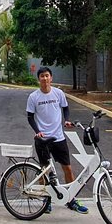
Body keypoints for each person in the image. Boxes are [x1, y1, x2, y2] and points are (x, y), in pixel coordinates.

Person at [26, 67, 88, 214]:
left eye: (47, 76)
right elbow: (30, 117)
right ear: (39, 79)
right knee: (43, 171)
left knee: (67, 168)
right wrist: (37, 132)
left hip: (59, 138)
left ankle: (71, 199)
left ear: (51, 78)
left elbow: (65, 108)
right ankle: (45, 201)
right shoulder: (34, 97)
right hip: (43, 140)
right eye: (42, 76)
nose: (45, 79)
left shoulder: (58, 93)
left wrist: (67, 120)